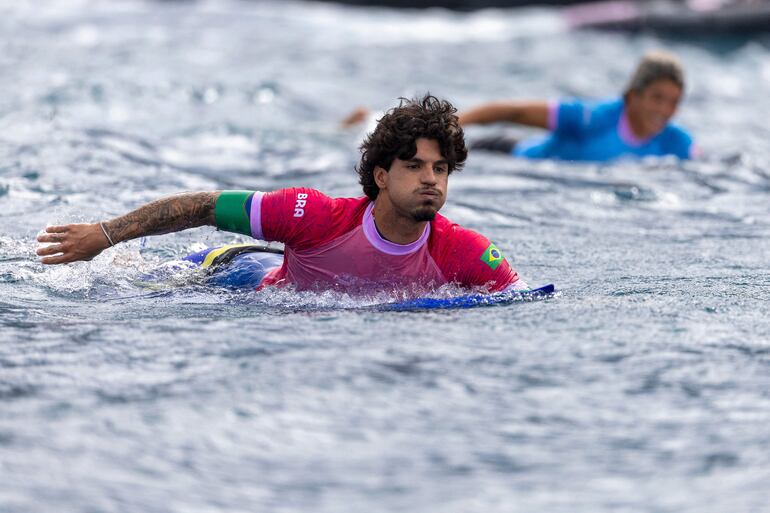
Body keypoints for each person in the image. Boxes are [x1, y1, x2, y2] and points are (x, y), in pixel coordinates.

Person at [37, 95, 528, 296]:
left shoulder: (466, 252)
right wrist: (104, 235)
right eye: (415, 166)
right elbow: (206, 206)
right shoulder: (314, 215)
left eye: (441, 169)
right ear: (381, 174)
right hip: (230, 274)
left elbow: (523, 304)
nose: (431, 180)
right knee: (138, 281)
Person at [459, 50, 697, 161]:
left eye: (674, 102)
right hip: (505, 155)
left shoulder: (678, 143)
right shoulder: (590, 119)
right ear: (632, 96)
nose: (664, 110)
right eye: (657, 98)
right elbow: (514, 111)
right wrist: (454, 122)